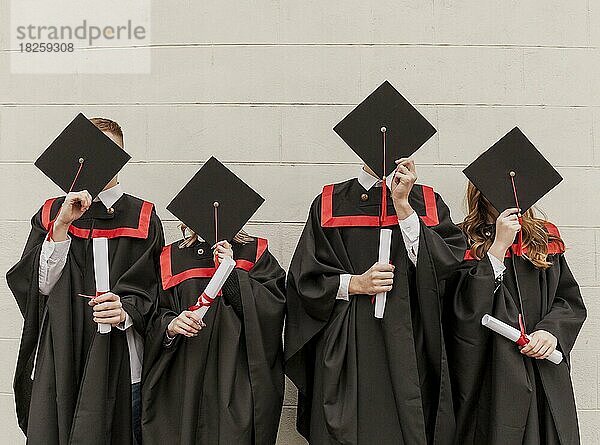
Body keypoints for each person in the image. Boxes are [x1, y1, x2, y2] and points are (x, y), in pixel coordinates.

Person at [7, 115, 164, 444]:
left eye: (110, 151)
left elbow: (155, 289)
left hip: (122, 361)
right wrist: (61, 227)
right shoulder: (52, 213)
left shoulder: (143, 217)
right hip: (61, 355)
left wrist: (125, 310)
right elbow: (39, 288)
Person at [445, 127, 587, 445]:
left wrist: (551, 332)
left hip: (543, 369)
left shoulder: (544, 237)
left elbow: (569, 300)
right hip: (494, 374)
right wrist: (497, 248)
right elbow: (462, 311)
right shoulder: (462, 239)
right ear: (482, 194)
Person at [142, 157, 286, 445]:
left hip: (238, 382)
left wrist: (232, 274)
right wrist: (172, 325)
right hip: (183, 380)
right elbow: (153, 314)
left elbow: (273, 310)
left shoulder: (254, 254)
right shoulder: (171, 258)